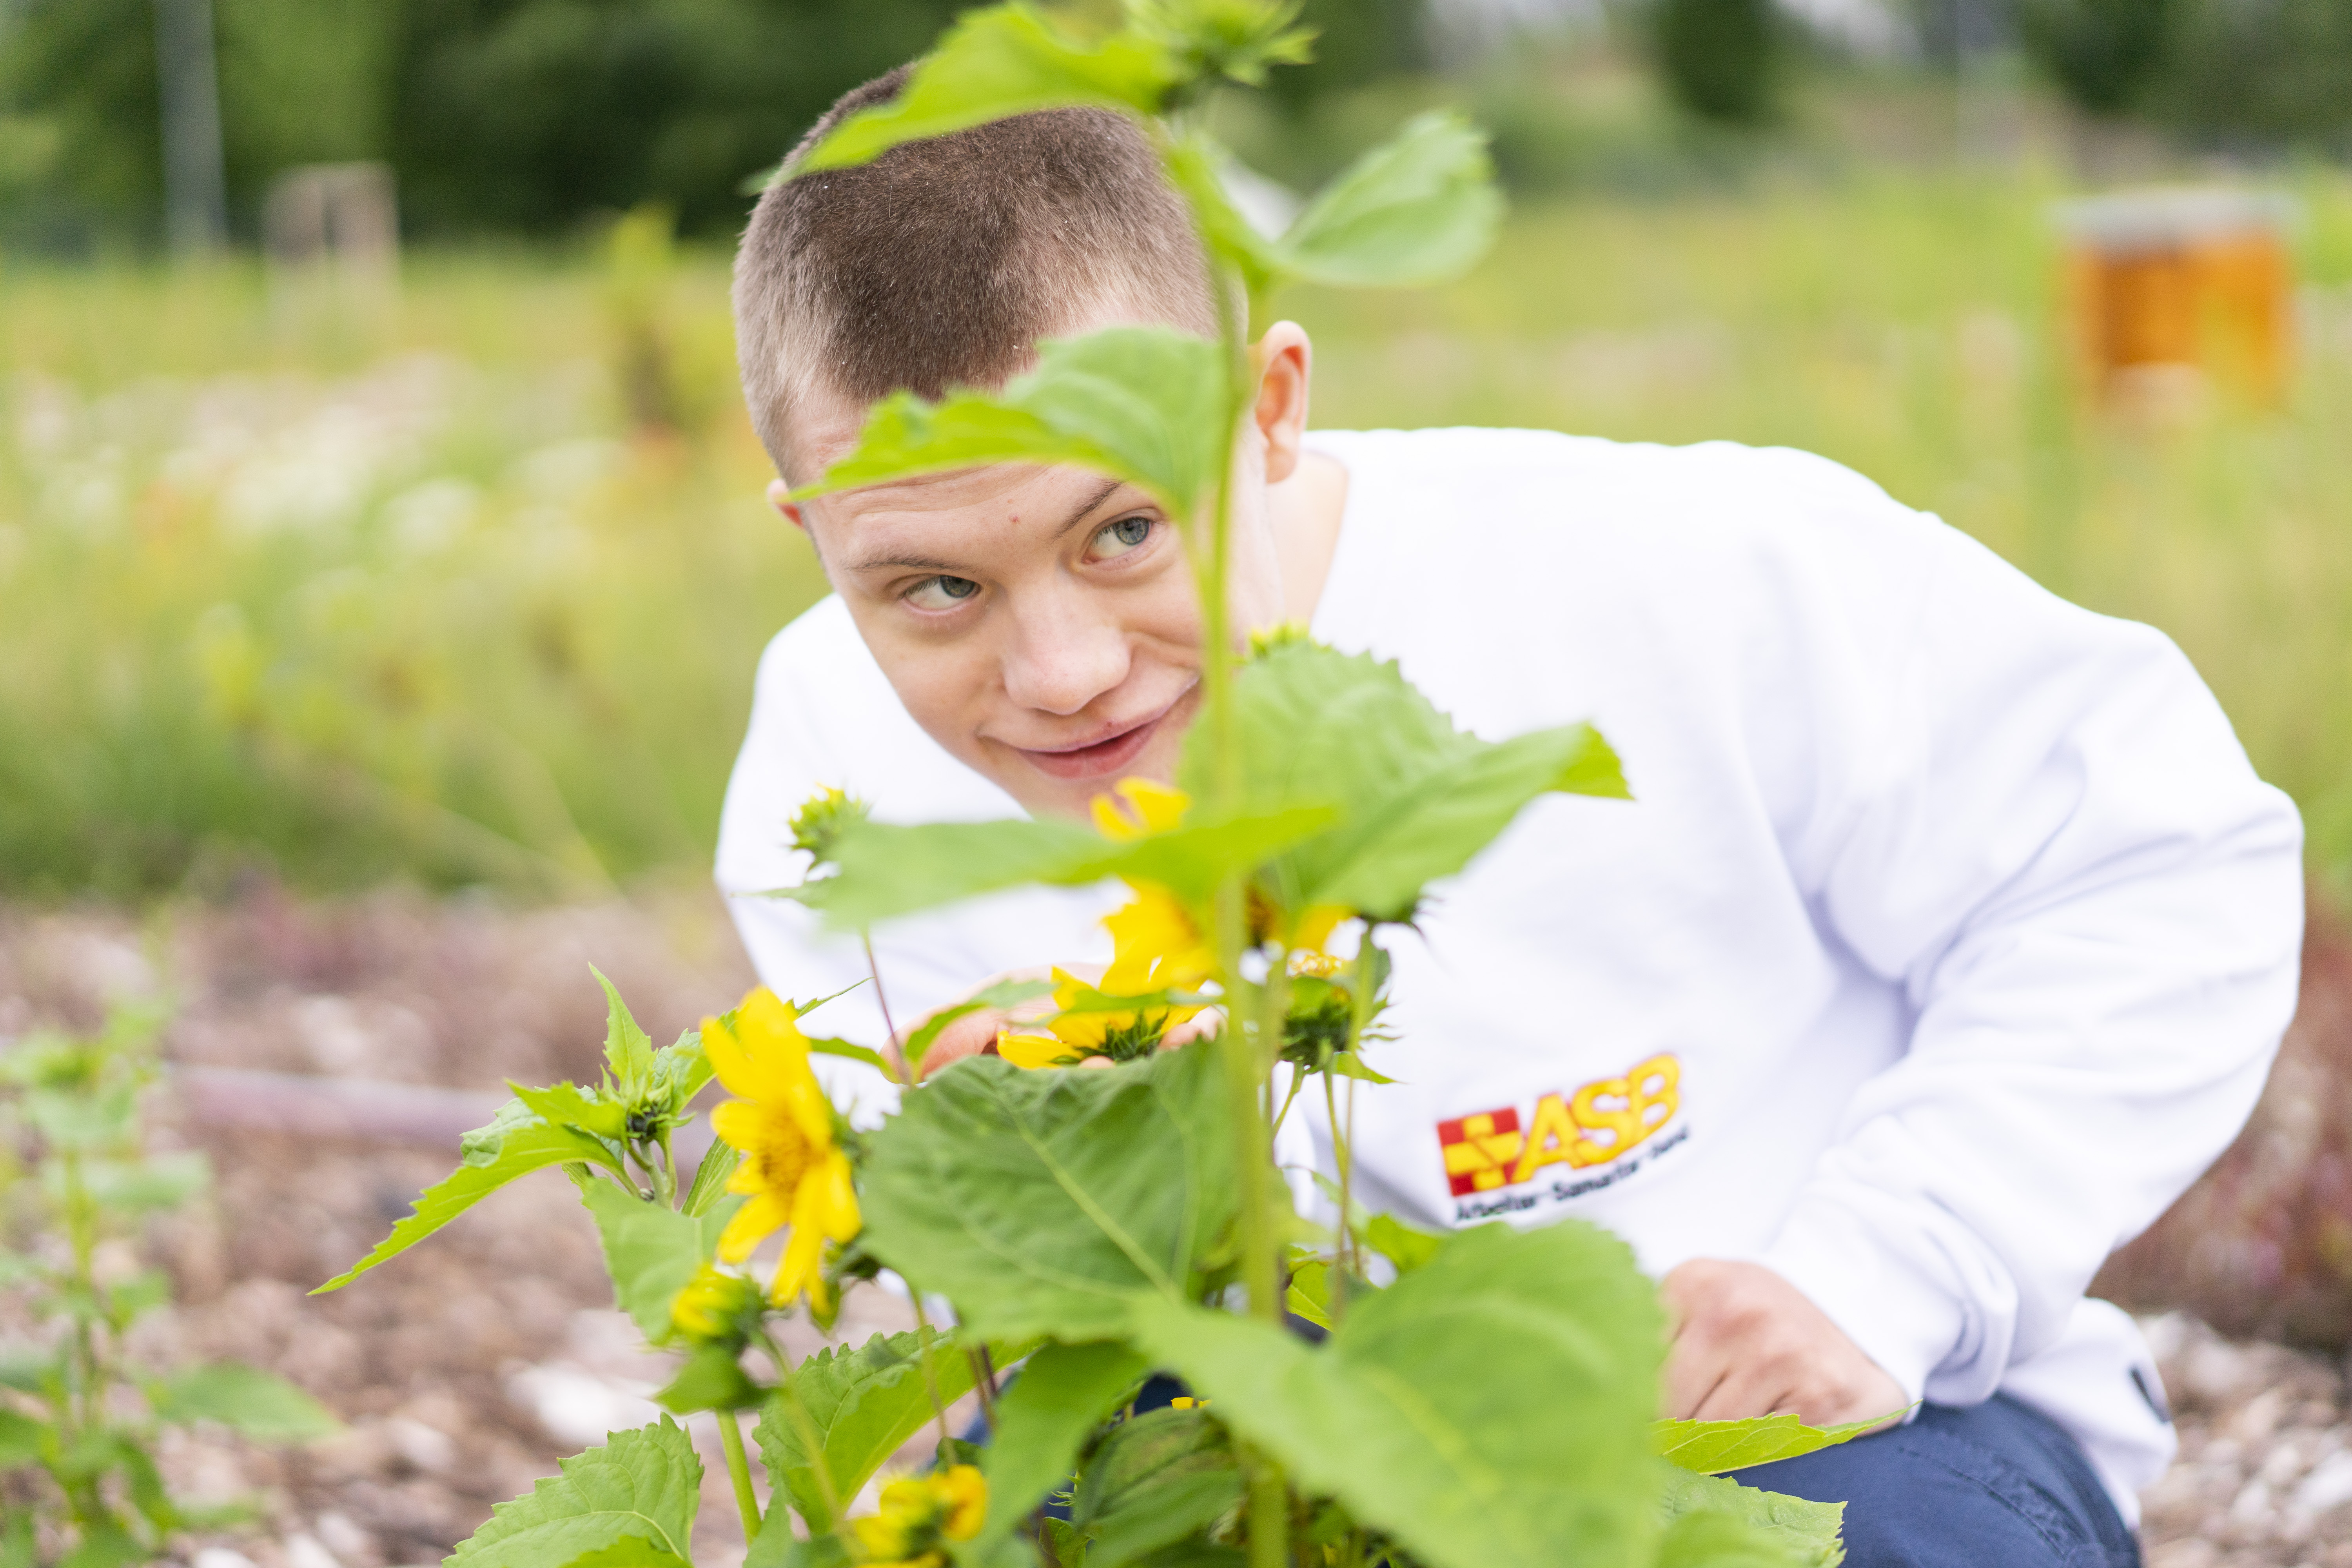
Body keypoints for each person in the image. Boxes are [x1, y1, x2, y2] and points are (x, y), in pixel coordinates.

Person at [715, 67, 2303, 1568]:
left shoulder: (1681, 575)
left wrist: (1878, 1269)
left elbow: (2153, 860)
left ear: (1268, 409)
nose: (1061, 673)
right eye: (935, 587)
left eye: (1126, 529)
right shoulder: (829, 764)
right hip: (1257, 1431)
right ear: (808, 532)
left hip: (1806, 1420)